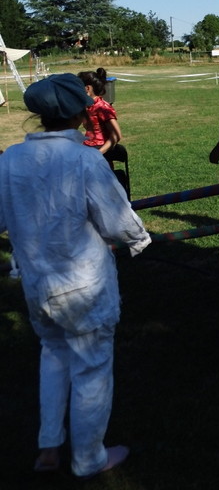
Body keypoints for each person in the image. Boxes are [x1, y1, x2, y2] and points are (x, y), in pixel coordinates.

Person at [0, 73, 151, 477]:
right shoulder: (84, 159)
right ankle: (88, 458)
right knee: (90, 367)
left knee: (53, 356)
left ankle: (49, 446)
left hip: (37, 286)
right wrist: (140, 241)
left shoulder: (9, 159)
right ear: (82, 114)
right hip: (83, 286)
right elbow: (119, 223)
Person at [77, 67, 122, 156]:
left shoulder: (102, 107)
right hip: (88, 147)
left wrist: (98, 154)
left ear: (87, 88)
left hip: (99, 150)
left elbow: (117, 135)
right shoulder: (87, 106)